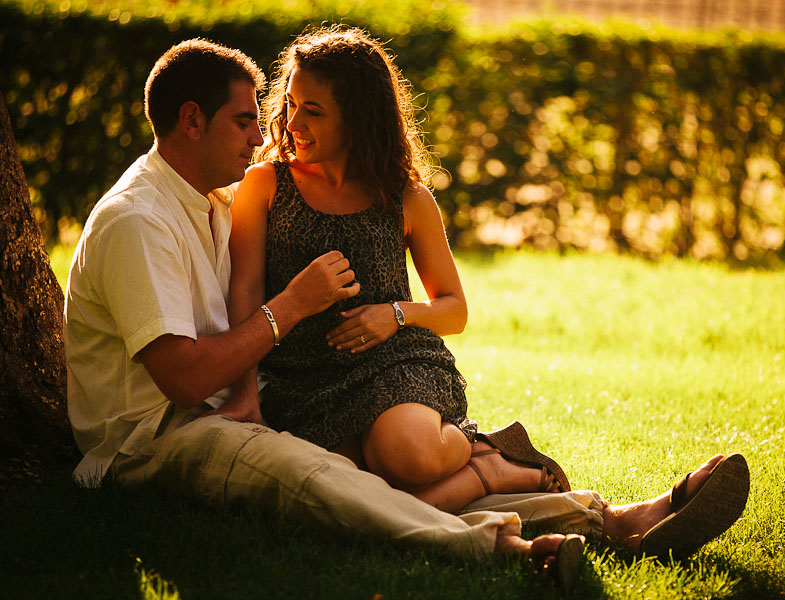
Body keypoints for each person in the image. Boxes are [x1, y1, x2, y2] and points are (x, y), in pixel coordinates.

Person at [63, 37, 749, 591]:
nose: (269, 132)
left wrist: (383, 319)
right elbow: (184, 377)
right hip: (162, 434)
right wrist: (283, 327)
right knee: (327, 481)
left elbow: (444, 303)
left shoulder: (211, 198)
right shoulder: (141, 220)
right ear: (192, 121)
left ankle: (622, 519)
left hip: (303, 386)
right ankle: (512, 542)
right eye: (251, 119)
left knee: (382, 469)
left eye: (293, 113)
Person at [228, 25, 569, 514]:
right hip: (303, 378)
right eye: (291, 102)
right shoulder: (265, 184)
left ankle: (480, 451)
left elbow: (454, 311)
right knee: (356, 490)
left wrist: (396, 314)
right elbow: (243, 293)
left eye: (314, 111)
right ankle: (490, 471)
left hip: (396, 363)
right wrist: (246, 393)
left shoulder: (405, 197)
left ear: (359, 118)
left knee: (407, 459)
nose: (293, 121)